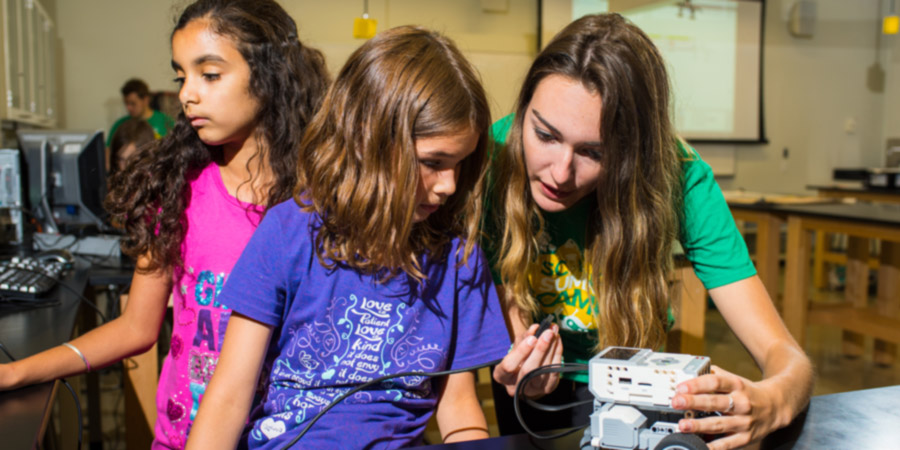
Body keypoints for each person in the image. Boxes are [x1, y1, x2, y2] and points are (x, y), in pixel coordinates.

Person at [0, 1, 329, 448]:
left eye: (209, 75)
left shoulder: (318, 203)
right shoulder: (177, 192)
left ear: (270, 75)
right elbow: (136, 328)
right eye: (181, 77)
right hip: (182, 436)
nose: (186, 94)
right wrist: (19, 371)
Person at [487, 14, 813, 450]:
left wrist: (772, 400)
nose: (561, 173)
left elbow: (789, 360)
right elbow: (502, 311)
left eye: (593, 152)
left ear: (632, 153)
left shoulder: (680, 178)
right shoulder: (492, 159)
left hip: (631, 389)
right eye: (544, 135)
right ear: (524, 110)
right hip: (531, 390)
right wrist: (521, 363)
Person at [186, 26, 509, 449]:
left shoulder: (459, 259)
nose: (449, 185)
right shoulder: (287, 232)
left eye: (460, 165)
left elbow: (460, 404)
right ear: (369, 144)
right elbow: (228, 396)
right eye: (433, 162)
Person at [107, 78, 176, 146]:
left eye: (133, 103)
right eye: (126, 103)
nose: (128, 108)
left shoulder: (166, 121)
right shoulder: (120, 125)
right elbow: (108, 153)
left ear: (146, 100)